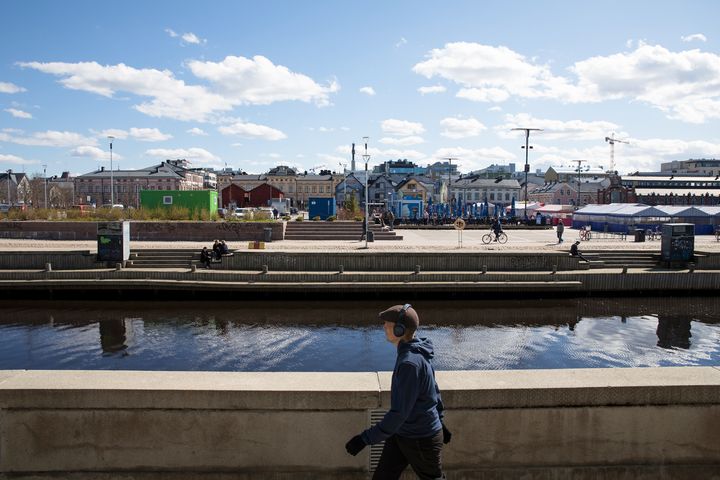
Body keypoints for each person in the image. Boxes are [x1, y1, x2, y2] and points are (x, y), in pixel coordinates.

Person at [345, 304, 451, 480]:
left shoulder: (410, 363)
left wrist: (364, 439)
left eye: (388, 323)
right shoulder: (418, 351)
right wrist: (440, 421)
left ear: (400, 329)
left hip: (420, 437)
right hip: (403, 433)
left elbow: (399, 413)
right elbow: (433, 391)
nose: (384, 327)